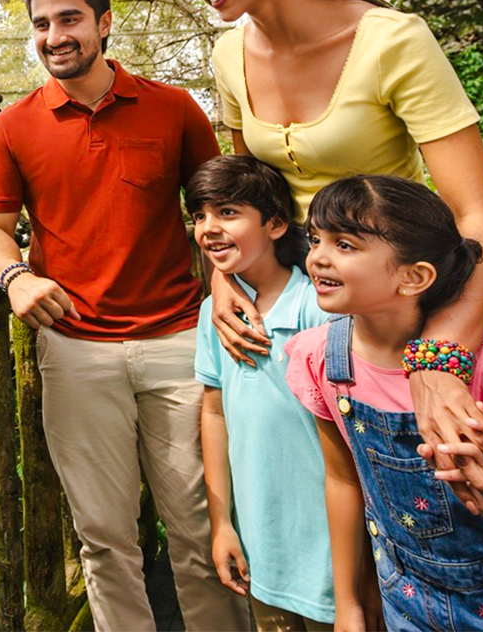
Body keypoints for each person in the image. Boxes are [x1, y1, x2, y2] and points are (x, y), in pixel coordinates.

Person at [169, 0, 483, 504]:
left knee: (445, 502)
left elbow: (479, 216)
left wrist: (442, 358)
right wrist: (222, 277)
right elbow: (250, 198)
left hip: (405, 305)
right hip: (300, 317)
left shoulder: (391, 40)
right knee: (322, 507)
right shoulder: (229, 54)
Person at [0, 0, 247, 632]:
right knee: (102, 536)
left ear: (103, 21)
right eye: (41, 24)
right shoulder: (13, 127)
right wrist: (16, 277)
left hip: (182, 342)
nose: (54, 35)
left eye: (68, 18)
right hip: (75, 351)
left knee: (200, 526)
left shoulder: (174, 108)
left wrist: (226, 288)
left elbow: (219, 212)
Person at [286, 175, 483, 632]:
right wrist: (348, 603)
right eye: (315, 239)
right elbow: (342, 481)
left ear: (414, 277)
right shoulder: (320, 358)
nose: (317, 256)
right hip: (406, 601)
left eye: (345, 245)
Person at [190, 155, 335, 632]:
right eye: (199, 216)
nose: (209, 227)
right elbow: (214, 414)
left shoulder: (319, 308)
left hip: (333, 548)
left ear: (275, 224)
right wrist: (222, 525)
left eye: (228, 212)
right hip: (259, 547)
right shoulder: (215, 312)